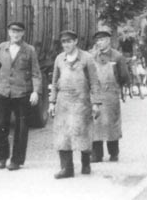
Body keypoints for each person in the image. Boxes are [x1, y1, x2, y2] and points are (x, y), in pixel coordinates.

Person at [0, 21, 42, 171]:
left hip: (22, 93)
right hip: (3, 92)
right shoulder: (1, 47)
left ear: (23, 33)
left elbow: (36, 72)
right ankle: (1, 157)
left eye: (18, 32)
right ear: (9, 32)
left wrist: (35, 91)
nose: (15, 34)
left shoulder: (29, 50)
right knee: (0, 126)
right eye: (13, 31)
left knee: (21, 129)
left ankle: (16, 160)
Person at [49, 30, 101, 179]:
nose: (66, 44)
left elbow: (94, 82)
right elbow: (54, 81)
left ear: (76, 41)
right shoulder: (59, 59)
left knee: (82, 133)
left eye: (69, 41)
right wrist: (52, 102)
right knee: (63, 136)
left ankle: (86, 162)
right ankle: (67, 169)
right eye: (64, 42)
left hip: (81, 102)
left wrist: (96, 103)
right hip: (63, 102)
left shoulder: (87, 58)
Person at [90, 30, 129, 163]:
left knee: (111, 123)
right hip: (96, 93)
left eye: (101, 40)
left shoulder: (117, 57)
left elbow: (124, 76)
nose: (99, 43)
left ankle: (114, 153)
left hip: (111, 93)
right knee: (96, 123)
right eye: (97, 41)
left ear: (108, 40)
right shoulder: (92, 56)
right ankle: (97, 155)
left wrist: (116, 88)